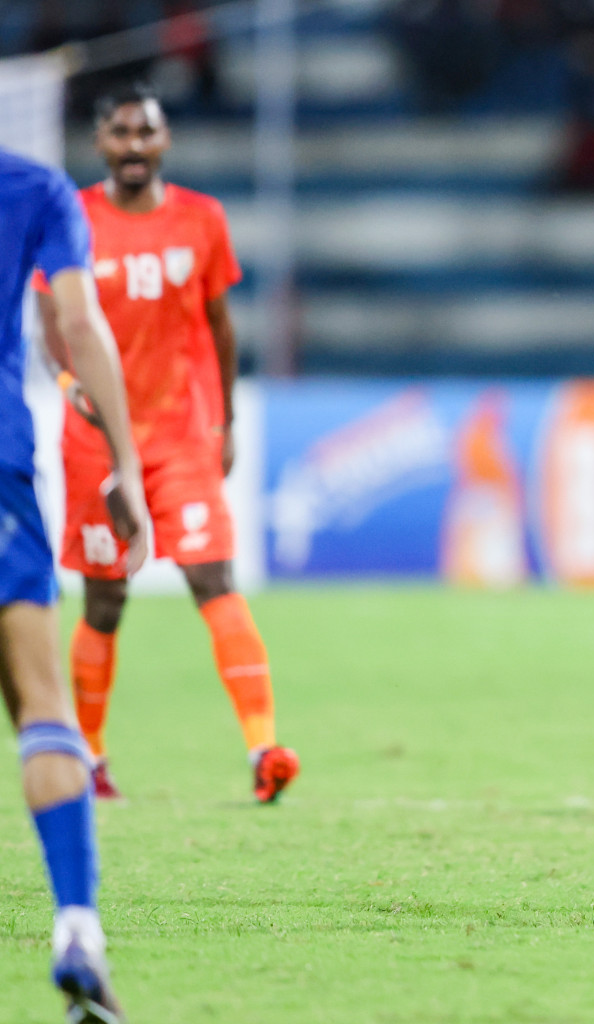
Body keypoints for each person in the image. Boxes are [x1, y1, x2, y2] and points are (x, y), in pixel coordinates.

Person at [34, 83, 299, 803]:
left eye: (144, 132)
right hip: (94, 439)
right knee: (104, 600)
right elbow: (49, 318)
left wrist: (228, 421)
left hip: (181, 433)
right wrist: (68, 385)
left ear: (163, 142)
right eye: (119, 133)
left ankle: (263, 748)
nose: (132, 145)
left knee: (212, 577)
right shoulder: (73, 217)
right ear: (101, 143)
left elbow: (219, 325)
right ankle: (90, 758)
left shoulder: (201, 220)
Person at [2, 144, 147, 1023]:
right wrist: (126, 461)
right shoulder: (35, 187)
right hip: (3, 470)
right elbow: (80, 323)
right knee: (42, 703)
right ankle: (78, 932)